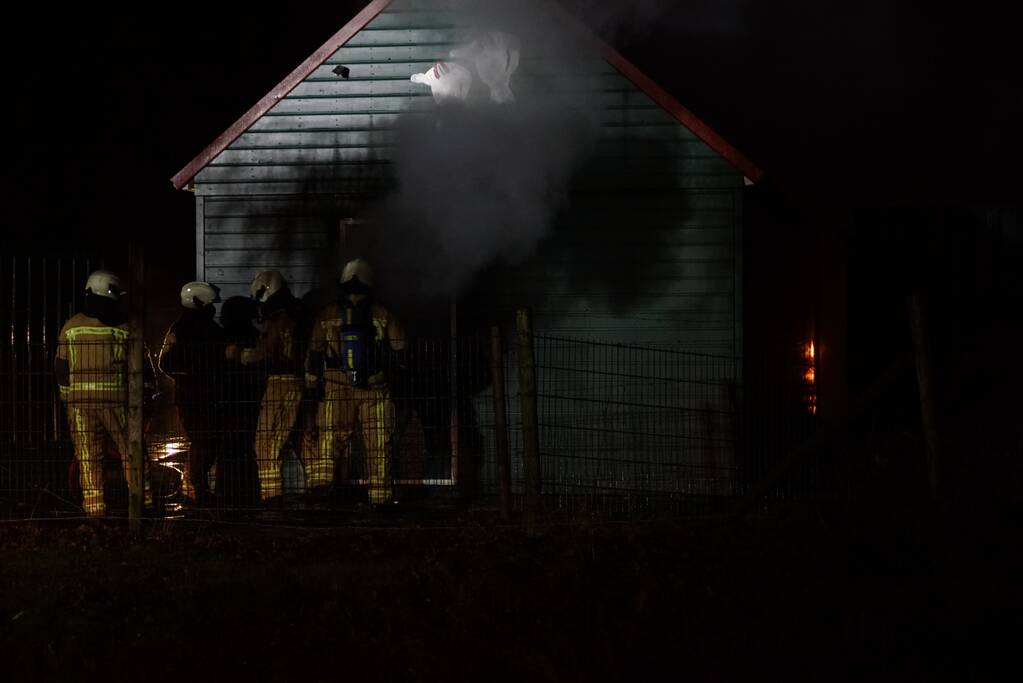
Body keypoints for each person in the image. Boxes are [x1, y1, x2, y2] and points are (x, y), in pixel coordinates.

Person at [305, 259, 406, 507]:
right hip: (374, 386)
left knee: (329, 440)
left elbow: (314, 352)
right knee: (378, 442)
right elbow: (401, 348)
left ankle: (324, 497)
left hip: (335, 385)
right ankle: (380, 501)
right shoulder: (383, 313)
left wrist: (311, 385)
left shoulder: (327, 314)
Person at [54, 270, 151, 517]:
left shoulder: (71, 326)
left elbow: (61, 368)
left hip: (79, 405)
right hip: (117, 402)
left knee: (88, 457)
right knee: (132, 452)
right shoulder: (125, 327)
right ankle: (144, 505)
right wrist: (144, 397)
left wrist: (68, 397)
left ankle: (95, 512)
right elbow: (138, 368)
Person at [229, 271, 307, 505]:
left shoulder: (278, 319)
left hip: (280, 386)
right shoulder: (298, 315)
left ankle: (271, 498)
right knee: (300, 439)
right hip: (299, 383)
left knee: (264, 443)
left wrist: (239, 355)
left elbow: (264, 353)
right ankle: (319, 492)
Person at [157, 281, 224, 505]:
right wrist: (195, 372)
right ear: (199, 302)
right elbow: (166, 363)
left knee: (206, 441)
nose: (213, 308)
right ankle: (198, 491)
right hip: (196, 397)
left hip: (200, 396)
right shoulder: (185, 330)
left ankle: (194, 489)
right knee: (203, 441)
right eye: (210, 304)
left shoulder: (183, 329)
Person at [219, 296, 262, 507]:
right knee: (247, 449)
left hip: (226, 402)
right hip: (251, 400)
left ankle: (227, 496)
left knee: (228, 451)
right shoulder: (255, 337)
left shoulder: (221, 337)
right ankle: (249, 495)